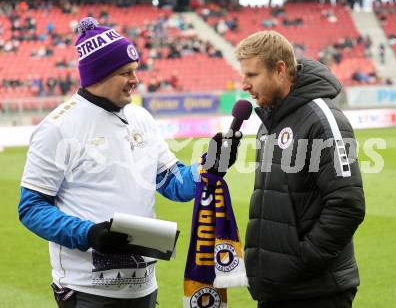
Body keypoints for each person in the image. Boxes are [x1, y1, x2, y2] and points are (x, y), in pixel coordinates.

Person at [18, 17, 239, 308]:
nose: (136, 79)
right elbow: (31, 208)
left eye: (134, 70)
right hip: (87, 292)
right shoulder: (57, 128)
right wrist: (90, 233)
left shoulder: (142, 118)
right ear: (100, 75)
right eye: (126, 72)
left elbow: (172, 182)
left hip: (145, 287)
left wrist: (206, 169)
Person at [235, 30, 365, 308]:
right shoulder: (268, 123)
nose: (244, 84)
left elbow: (347, 203)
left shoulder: (323, 117)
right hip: (278, 289)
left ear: (280, 69)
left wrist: (299, 261)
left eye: (252, 75)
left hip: (315, 291)